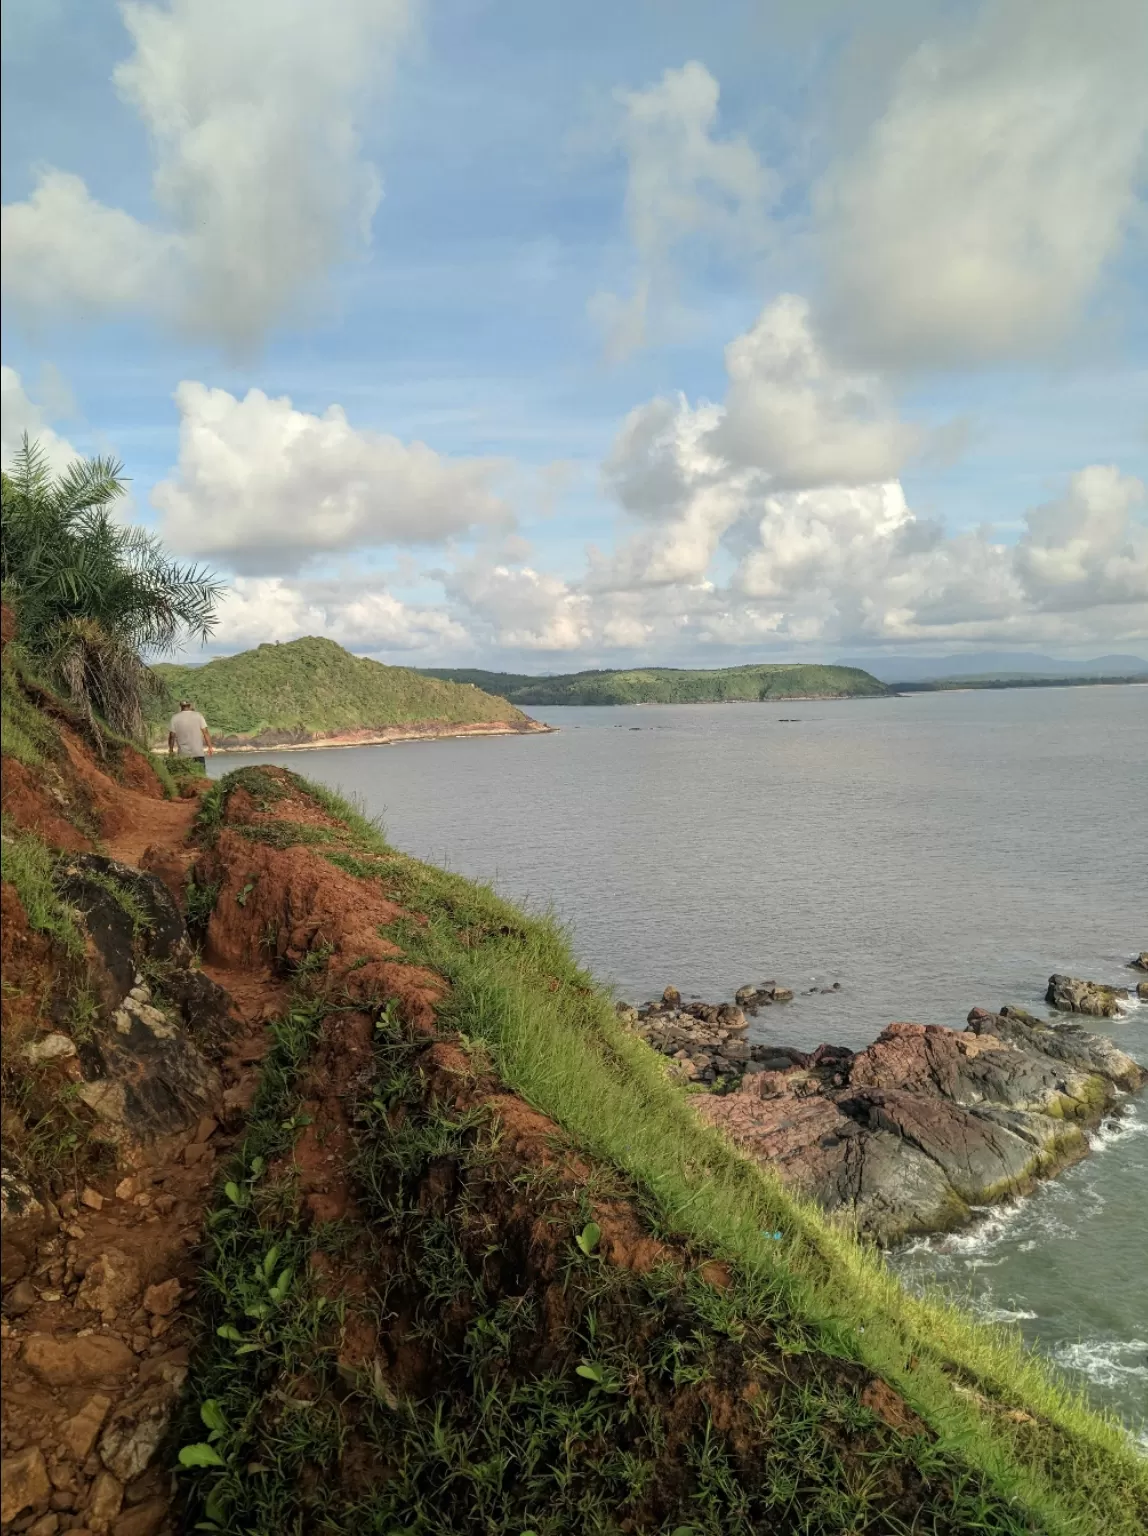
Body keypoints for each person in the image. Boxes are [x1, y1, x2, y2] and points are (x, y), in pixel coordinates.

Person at [168, 699, 213, 768]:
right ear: (190, 706)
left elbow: (172, 736)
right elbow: (205, 732)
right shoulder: (198, 715)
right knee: (200, 776)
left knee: (185, 776)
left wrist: (171, 750)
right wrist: (210, 747)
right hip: (198, 753)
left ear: (180, 706)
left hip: (183, 754)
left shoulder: (175, 718)